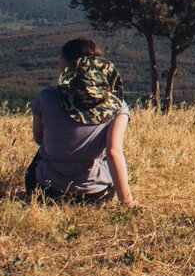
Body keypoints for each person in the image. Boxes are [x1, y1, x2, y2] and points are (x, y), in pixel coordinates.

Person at [26, 37, 135, 206]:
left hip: (46, 192)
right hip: (94, 195)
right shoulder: (118, 106)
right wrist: (127, 202)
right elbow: (114, 152)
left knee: (40, 156)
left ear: (66, 66)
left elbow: (39, 139)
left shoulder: (46, 97)